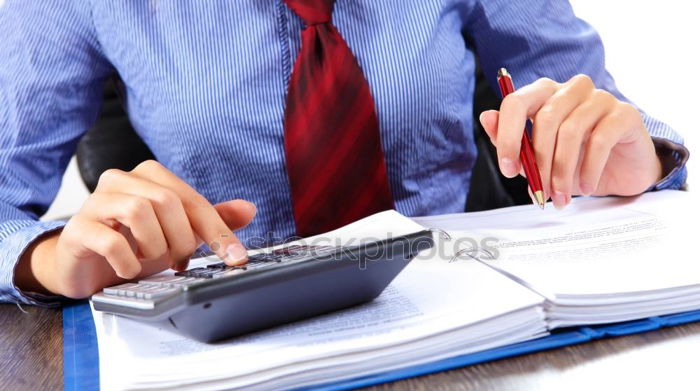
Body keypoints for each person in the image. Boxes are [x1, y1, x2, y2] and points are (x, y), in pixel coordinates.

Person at [0, 0, 688, 305]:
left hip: (453, 304)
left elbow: (596, 103)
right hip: (223, 328)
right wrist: (50, 259)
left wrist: (636, 161)